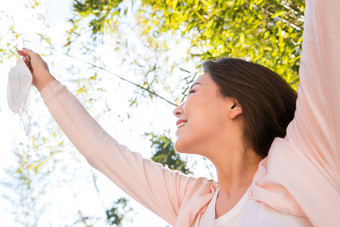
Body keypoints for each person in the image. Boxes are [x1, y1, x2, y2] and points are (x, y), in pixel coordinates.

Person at [17, 0, 340, 226]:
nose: (177, 109)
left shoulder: (304, 157)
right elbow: (104, 154)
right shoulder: (194, 206)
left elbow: (325, 40)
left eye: (193, 92)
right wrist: (46, 84)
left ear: (235, 104)